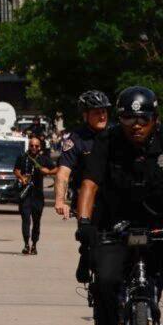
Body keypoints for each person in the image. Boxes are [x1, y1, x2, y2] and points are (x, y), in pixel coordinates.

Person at [76, 86, 163, 325]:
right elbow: (89, 184)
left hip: (162, 226)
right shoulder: (107, 142)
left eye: (143, 119)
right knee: (105, 282)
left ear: (154, 119)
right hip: (117, 227)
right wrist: (85, 223)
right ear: (119, 119)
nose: (136, 125)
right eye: (128, 119)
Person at [54, 89, 110, 282]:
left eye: (104, 111)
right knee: (90, 239)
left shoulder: (117, 135)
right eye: (96, 112)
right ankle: (86, 256)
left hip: (115, 198)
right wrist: (60, 201)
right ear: (86, 115)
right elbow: (63, 173)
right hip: (88, 202)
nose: (102, 115)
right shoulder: (75, 140)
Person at [14, 136, 56, 255]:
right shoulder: (22, 157)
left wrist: (47, 172)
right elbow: (16, 170)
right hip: (25, 193)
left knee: (36, 221)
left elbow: (57, 169)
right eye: (32, 145)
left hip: (37, 195)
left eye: (36, 146)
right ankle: (26, 244)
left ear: (40, 147)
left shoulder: (44, 159)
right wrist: (21, 178)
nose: (34, 148)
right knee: (25, 219)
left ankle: (34, 245)